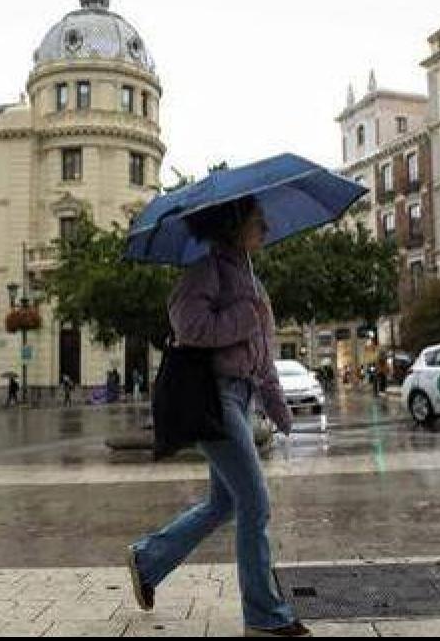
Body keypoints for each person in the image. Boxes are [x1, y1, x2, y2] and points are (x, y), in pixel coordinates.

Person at [126, 196, 308, 637]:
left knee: (225, 502)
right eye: (256, 220)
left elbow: (263, 358)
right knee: (255, 502)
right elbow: (188, 325)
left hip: (241, 398)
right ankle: (264, 615)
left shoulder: (253, 280)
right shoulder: (208, 270)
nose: (265, 226)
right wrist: (242, 317)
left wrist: (278, 406)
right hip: (215, 397)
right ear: (234, 225)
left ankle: (148, 559)